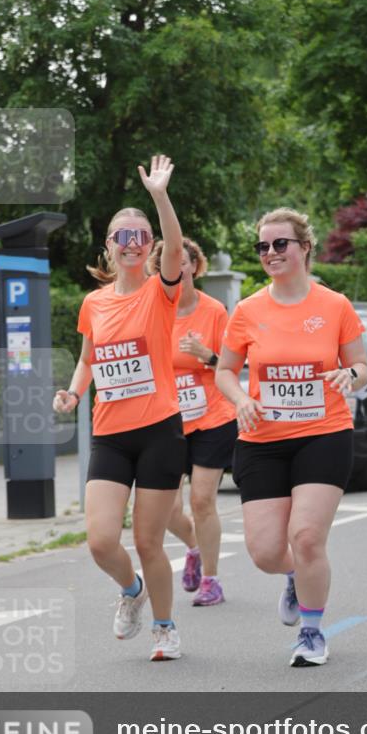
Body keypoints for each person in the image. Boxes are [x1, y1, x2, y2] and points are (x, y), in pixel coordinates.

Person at [216, 208, 367, 666]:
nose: (270, 253)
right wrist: (240, 398)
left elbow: (360, 365)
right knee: (265, 552)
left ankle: (311, 632)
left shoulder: (334, 305)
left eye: (280, 244)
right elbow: (224, 370)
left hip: (323, 434)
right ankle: (292, 576)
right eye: (262, 246)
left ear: (304, 247)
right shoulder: (247, 310)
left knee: (305, 537)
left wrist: (350, 375)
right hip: (262, 439)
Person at [52, 155, 186, 661]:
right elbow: (90, 359)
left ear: (149, 247)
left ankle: (165, 628)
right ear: (108, 248)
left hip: (159, 432)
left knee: (150, 541)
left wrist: (158, 196)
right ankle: (132, 591)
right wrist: (73, 391)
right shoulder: (94, 304)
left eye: (140, 237)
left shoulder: (160, 292)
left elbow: (177, 245)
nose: (132, 245)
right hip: (110, 435)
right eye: (121, 237)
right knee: (102, 541)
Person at [148, 237, 237, 606]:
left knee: (202, 500)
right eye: (170, 263)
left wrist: (208, 356)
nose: (178, 269)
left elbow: (233, 366)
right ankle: (194, 547)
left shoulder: (214, 311)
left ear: (194, 266)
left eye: (183, 262)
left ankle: (212, 581)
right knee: (167, 510)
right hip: (167, 421)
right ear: (159, 271)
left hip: (212, 416)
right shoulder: (152, 311)